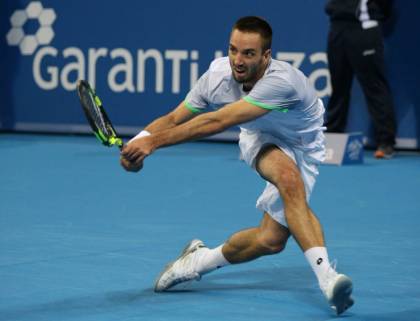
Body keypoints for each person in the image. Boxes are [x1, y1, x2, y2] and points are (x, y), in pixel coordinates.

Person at [120, 16, 354, 315]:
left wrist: (152, 144)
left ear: (266, 56)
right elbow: (173, 118)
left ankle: (199, 260)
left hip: (303, 145)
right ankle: (328, 280)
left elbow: (218, 121)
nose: (237, 60)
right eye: (233, 50)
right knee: (287, 178)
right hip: (259, 136)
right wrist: (138, 145)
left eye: (248, 53)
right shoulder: (217, 75)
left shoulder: (281, 83)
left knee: (271, 241)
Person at [325, 0, 397, 159]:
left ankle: (386, 142)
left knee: (374, 86)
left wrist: (371, 12)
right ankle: (331, 137)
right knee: (338, 86)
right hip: (337, 26)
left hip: (364, 26)